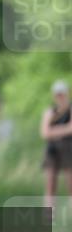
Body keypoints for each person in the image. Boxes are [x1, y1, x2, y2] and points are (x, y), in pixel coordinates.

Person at [41, 80, 72, 212]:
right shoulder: (50, 111)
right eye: (58, 94)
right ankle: (49, 217)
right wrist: (62, 129)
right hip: (52, 150)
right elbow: (44, 132)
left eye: (62, 94)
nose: (60, 97)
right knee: (50, 184)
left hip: (68, 149)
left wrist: (54, 130)